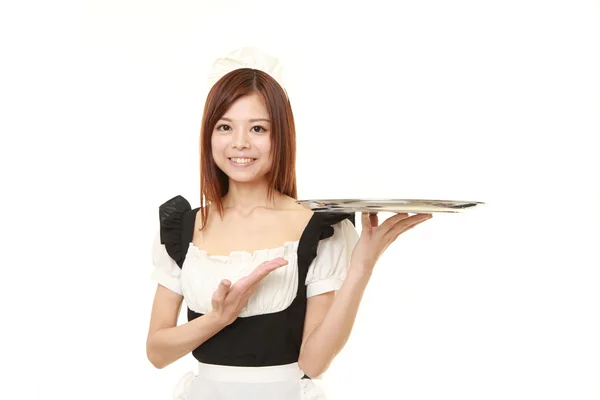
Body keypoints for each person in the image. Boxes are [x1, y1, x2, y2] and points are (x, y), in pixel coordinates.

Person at [146, 48, 432, 400]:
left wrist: (361, 267)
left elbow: (313, 363)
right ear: (208, 135)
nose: (240, 143)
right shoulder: (183, 227)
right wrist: (218, 317)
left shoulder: (318, 228)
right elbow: (157, 352)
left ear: (280, 135)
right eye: (225, 127)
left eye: (257, 128)